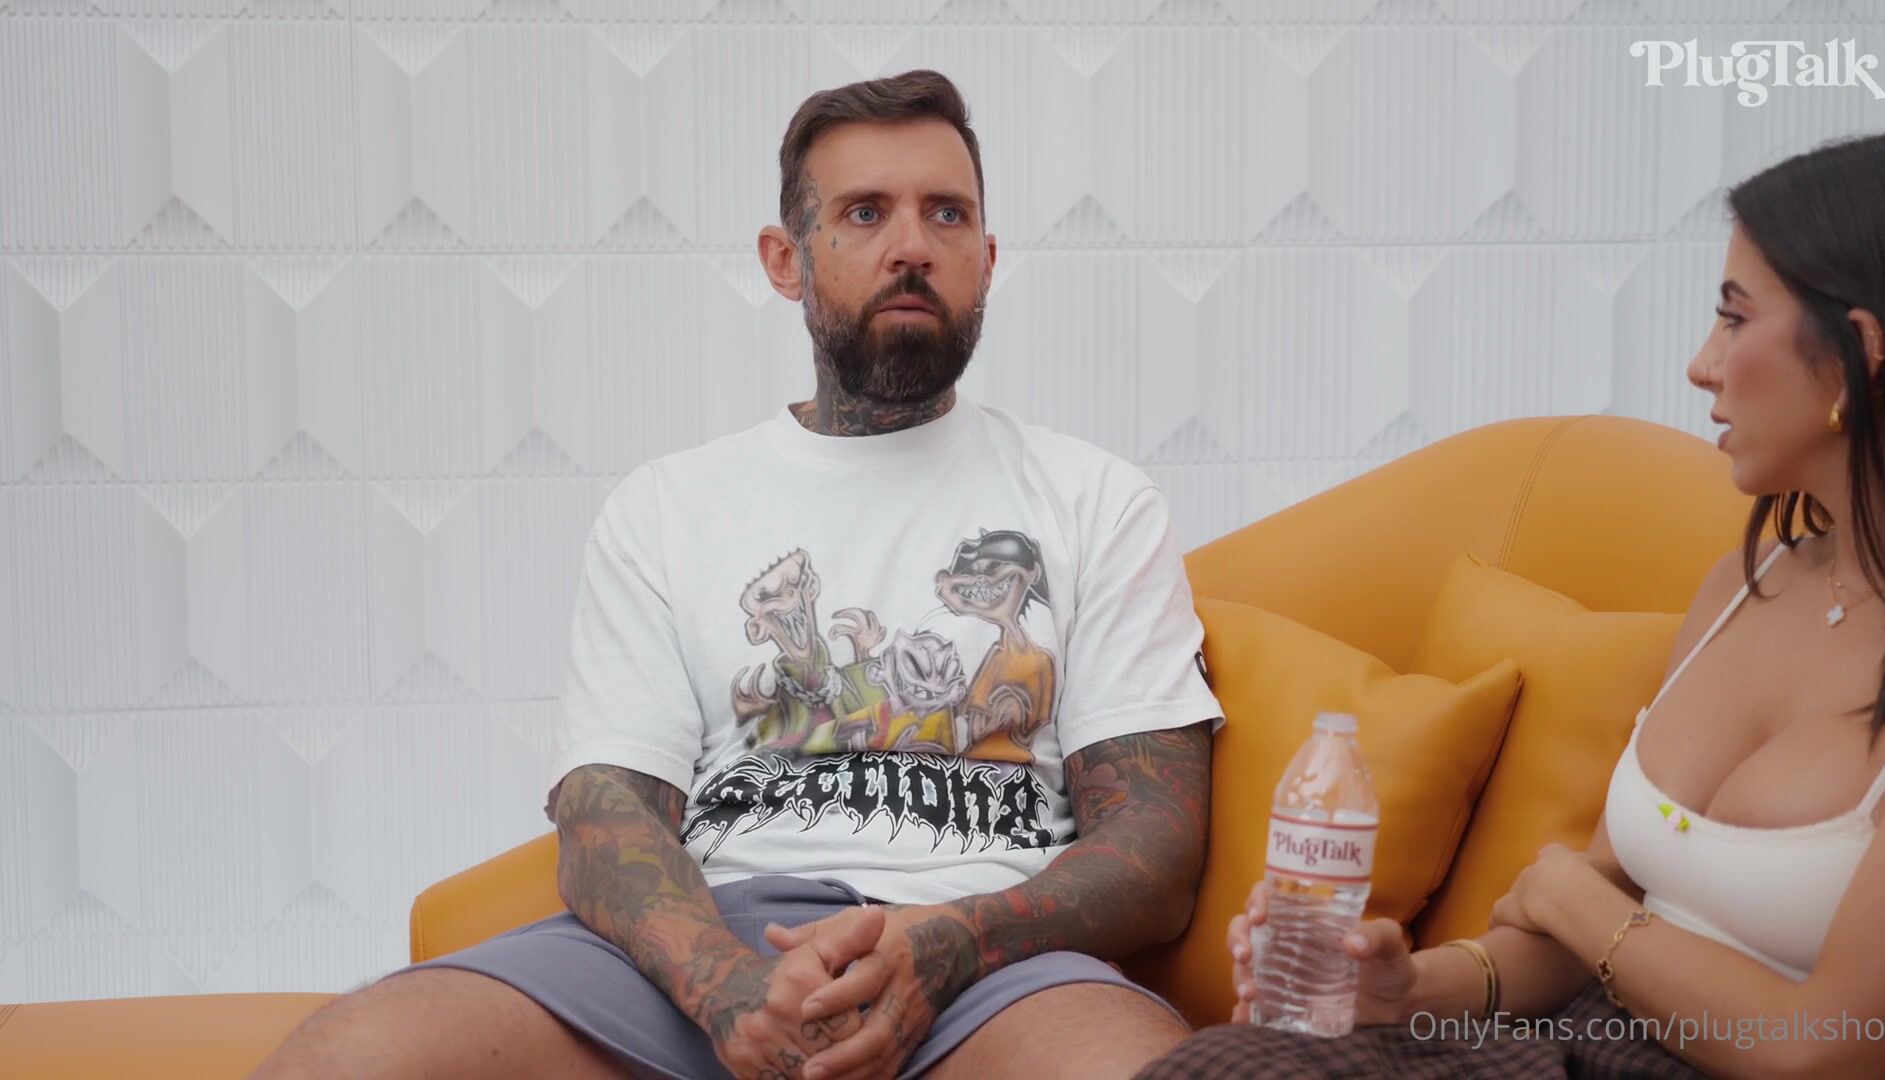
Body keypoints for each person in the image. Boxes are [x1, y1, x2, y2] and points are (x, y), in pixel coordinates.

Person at [254, 69, 1223, 1080]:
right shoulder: (667, 506)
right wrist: (727, 988)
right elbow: (605, 810)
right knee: (346, 1058)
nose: (912, 245)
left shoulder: (1097, 500)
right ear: (785, 260)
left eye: (947, 213)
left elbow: (1156, 847)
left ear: (987, 256)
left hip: (991, 960)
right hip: (704, 948)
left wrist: (951, 942)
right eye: (864, 213)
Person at [1141, 130, 1885, 1079]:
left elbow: (1823, 1049)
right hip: (1575, 1043)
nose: (1702, 365)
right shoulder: (1741, 588)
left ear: (1857, 354)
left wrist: (1584, 907)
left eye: (1734, 318)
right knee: (1225, 1064)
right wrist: (1402, 988)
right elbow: (1574, 924)